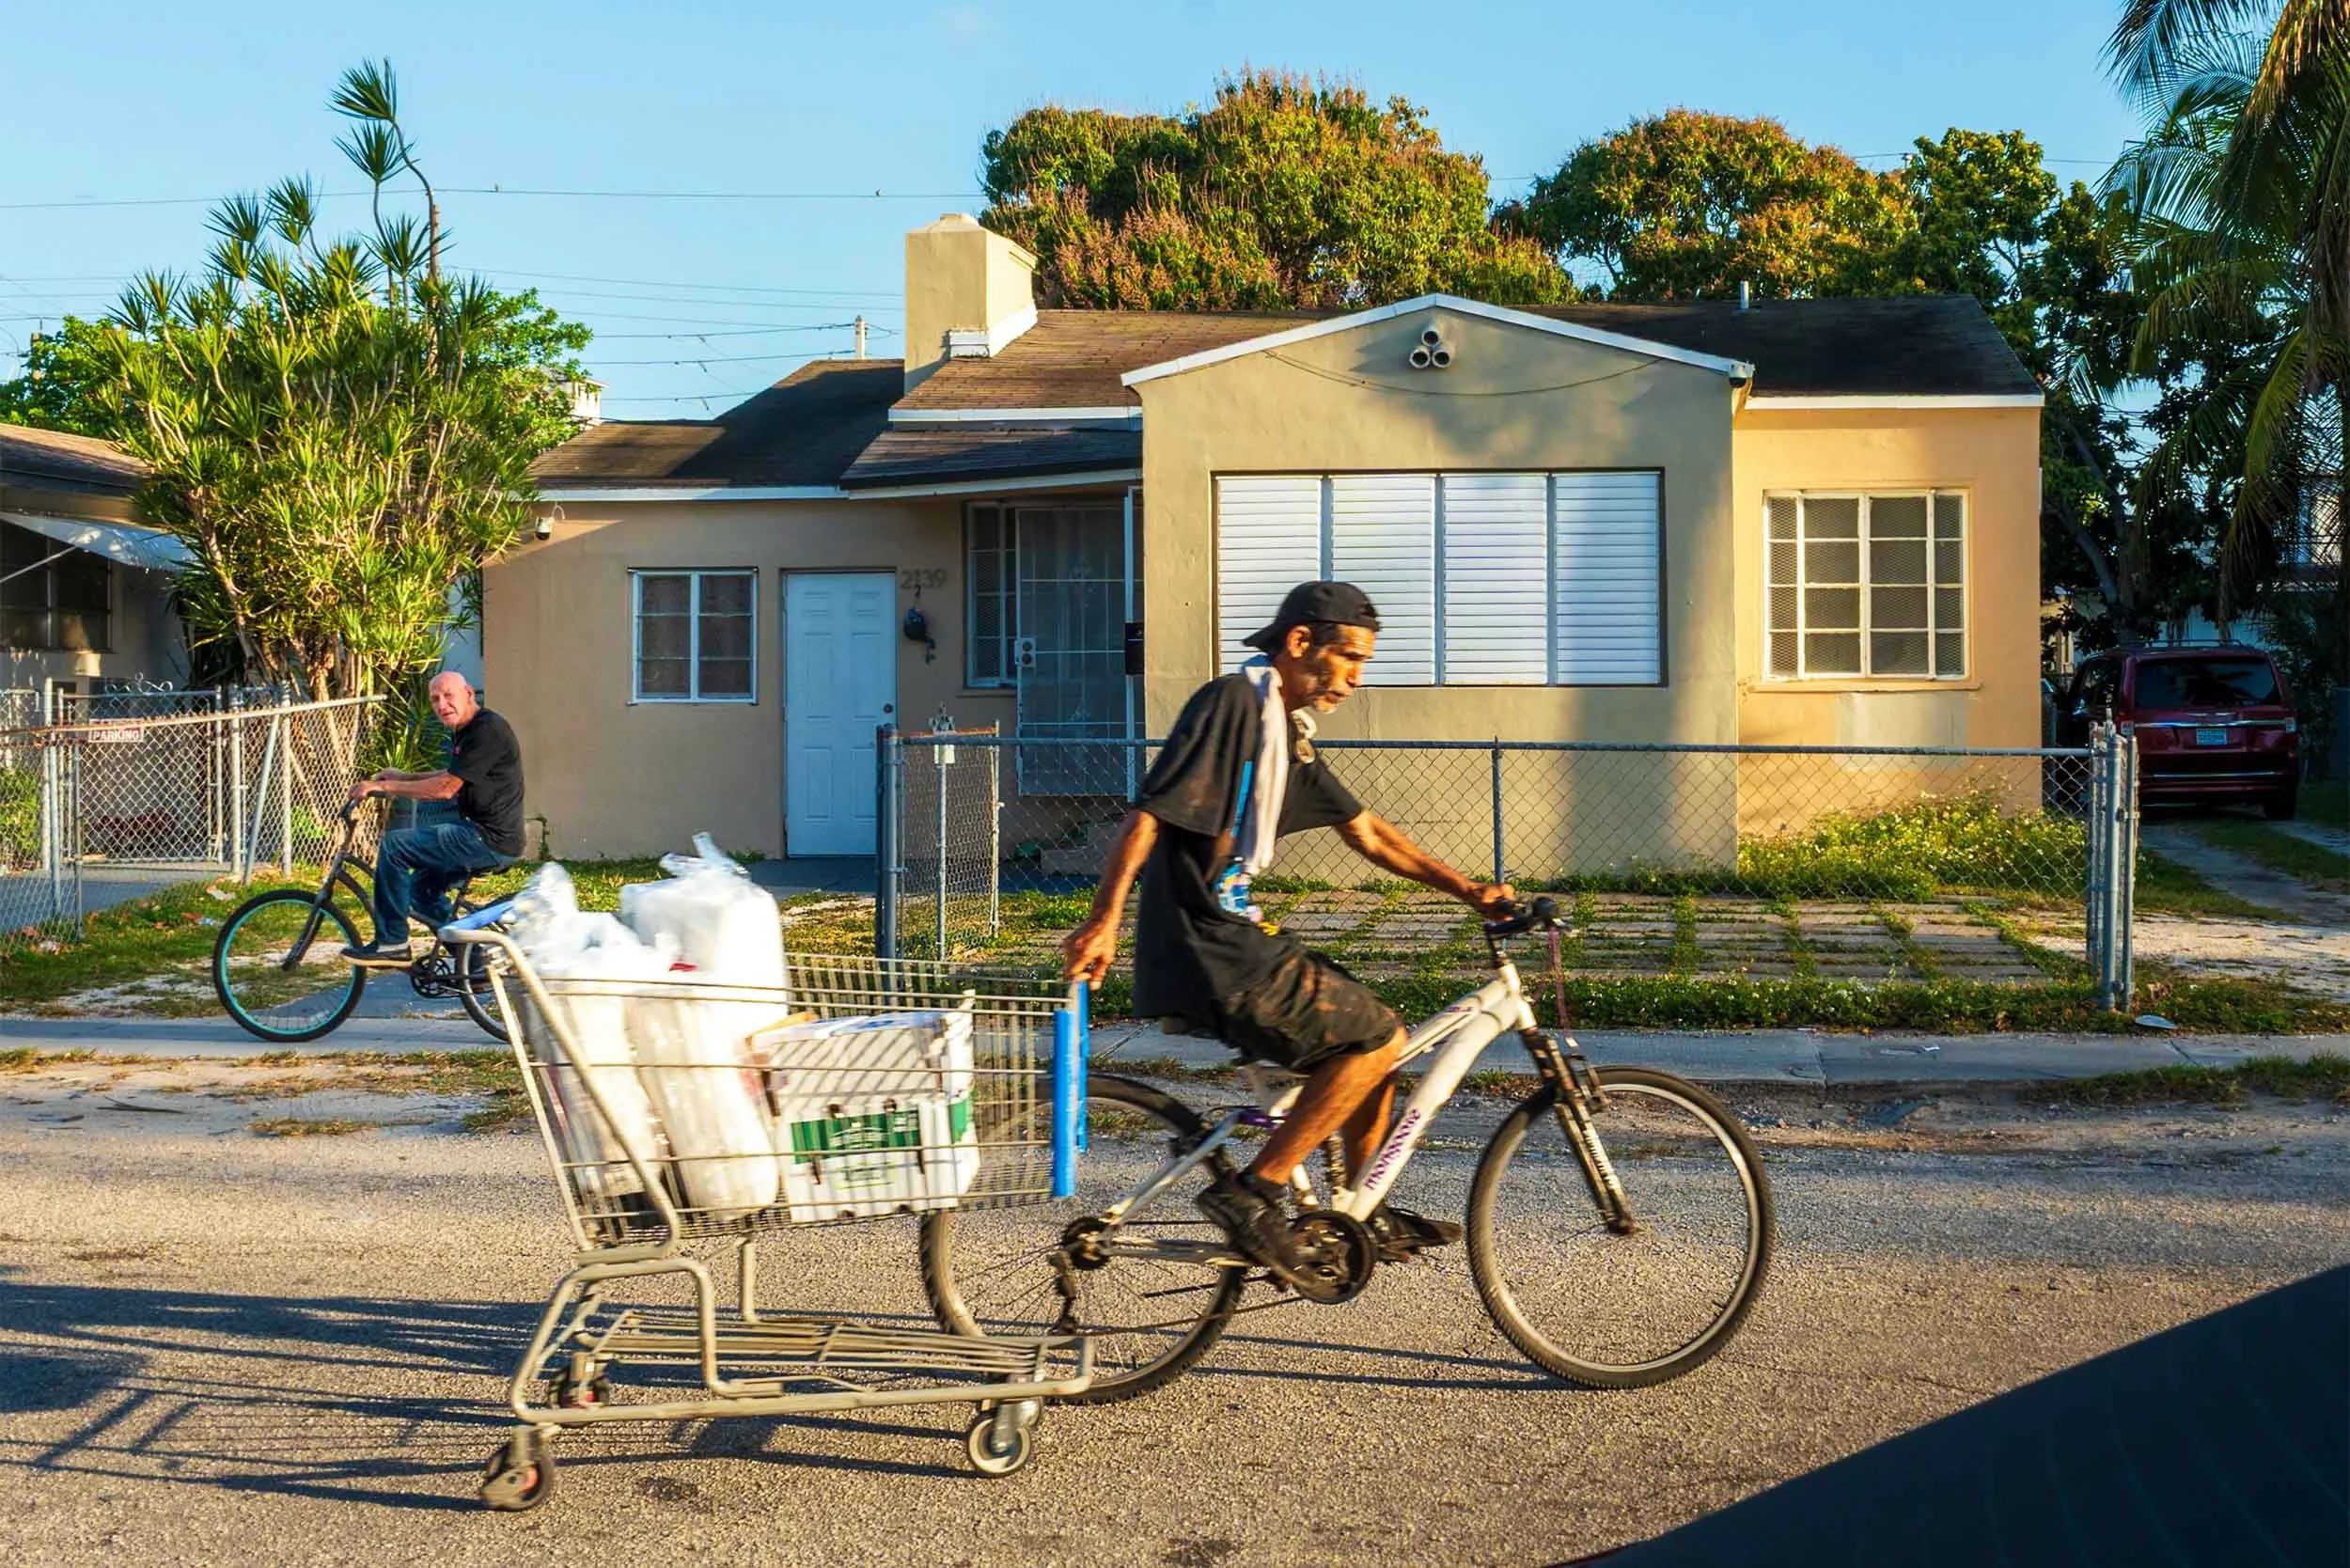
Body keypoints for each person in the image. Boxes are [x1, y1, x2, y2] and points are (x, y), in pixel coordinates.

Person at [1061, 581, 1514, 1283]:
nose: (1357, 678)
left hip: (1233, 936)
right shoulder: (1233, 705)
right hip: (1206, 942)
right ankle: (1255, 1192)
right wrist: (1102, 922)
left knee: (1374, 1036)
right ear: (1301, 643)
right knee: (1376, 1038)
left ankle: (1362, 1206)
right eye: (1351, 657)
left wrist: (1470, 891)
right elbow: (1148, 813)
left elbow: (1366, 833)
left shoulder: (1284, 736)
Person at [340, 671, 525, 965]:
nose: (442, 705)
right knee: (421, 893)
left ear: (468, 694)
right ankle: (473, 964)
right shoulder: (469, 730)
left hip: (485, 839)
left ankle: (392, 943)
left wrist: (384, 787)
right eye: (435, 699)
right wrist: (406, 777)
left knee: (394, 846)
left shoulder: (487, 730)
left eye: (448, 696)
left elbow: (445, 789)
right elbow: (454, 775)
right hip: (481, 836)